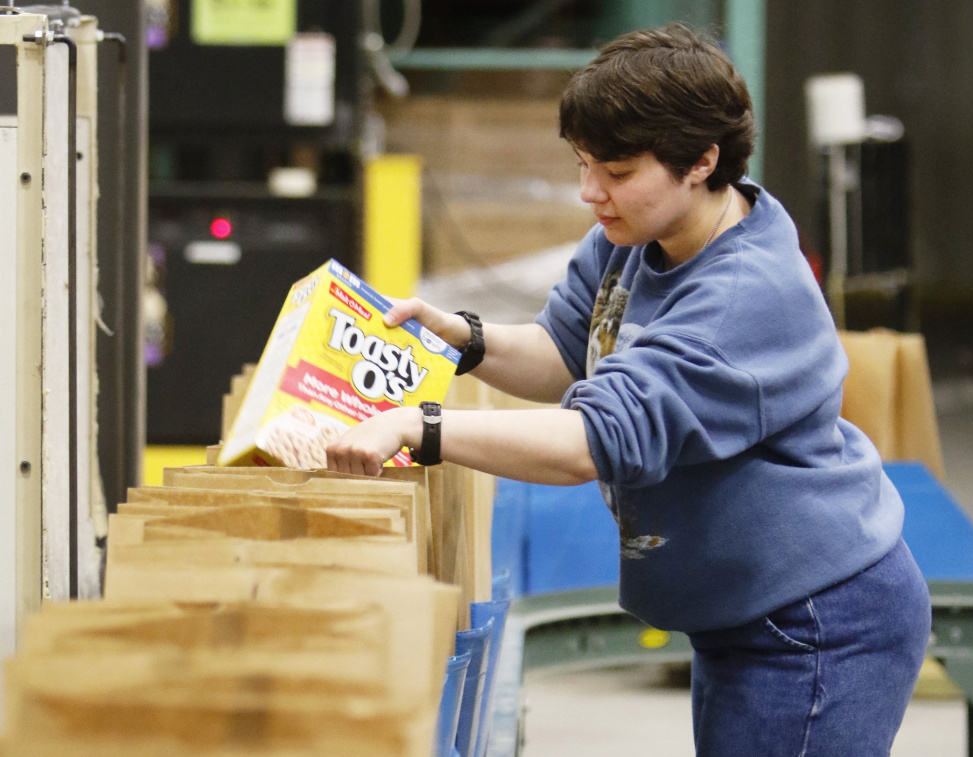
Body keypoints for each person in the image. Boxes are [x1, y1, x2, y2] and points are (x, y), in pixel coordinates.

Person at [325, 23, 931, 756]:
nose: (590, 193)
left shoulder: (744, 294)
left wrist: (417, 427)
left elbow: (592, 442)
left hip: (813, 621)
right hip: (740, 607)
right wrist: (459, 339)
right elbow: (562, 350)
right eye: (584, 164)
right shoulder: (640, 236)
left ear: (702, 161)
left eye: (615, 170)